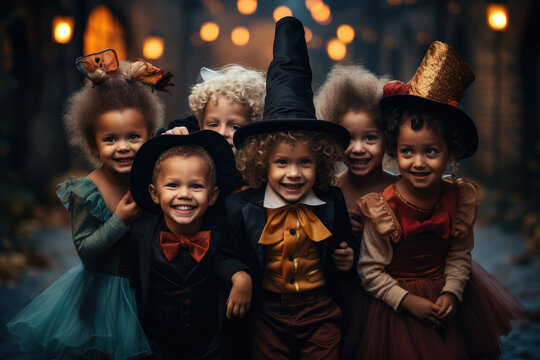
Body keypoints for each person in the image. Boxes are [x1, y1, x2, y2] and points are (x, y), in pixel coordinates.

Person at [355, 41, 522, 359]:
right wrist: (408, 301)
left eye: (430, 151)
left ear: (450, 152)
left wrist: (452, 292)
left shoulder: (457, 199)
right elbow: (369, 271)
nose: (418, 162)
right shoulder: (384, 207)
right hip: (397, 308)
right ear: (395, 150)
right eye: (408, 152)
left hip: (445, 302)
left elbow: (460, 257)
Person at [6, 48, 170, 359]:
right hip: (102, 298)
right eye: (110, 139)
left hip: (146, 291)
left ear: (150, 136)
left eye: (134, 137)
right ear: (93, 143)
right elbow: (86, 253)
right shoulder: (87, 191)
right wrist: (119, 220)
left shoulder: (155, 181)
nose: (123, 147)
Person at [215, 17, 358, 359]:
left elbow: (345, 241)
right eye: (282, 163)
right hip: (267, 315)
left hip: (320, 310)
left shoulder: (331, 200)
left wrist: (348, 254)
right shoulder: (241, 208)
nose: (293, 174)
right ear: (262, 161)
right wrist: (239, 276)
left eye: (304, 163)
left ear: (320, 161)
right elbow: (223, 255)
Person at [128, 130, 235, 359]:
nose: (184, 194)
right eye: (173, 185)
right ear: (154, 194)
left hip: (210, 348)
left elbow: (233, 259)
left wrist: (241, 275)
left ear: (213, 195)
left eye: (196, 186)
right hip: (155, 346)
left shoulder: (222, 232)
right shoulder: (140, 235)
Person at [314, 64, 397, 358]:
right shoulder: (330, 189)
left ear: (387, 138)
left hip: (391, 303)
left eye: (370, 138)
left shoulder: (398, 189)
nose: (358, 148)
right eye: (349, 139)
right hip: (345, 300)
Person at [165, 64, 265, 155]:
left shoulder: (257, 171)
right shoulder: (192, 158)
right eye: (213, 125)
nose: (221, 133)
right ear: (200, 125)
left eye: (235, 127)